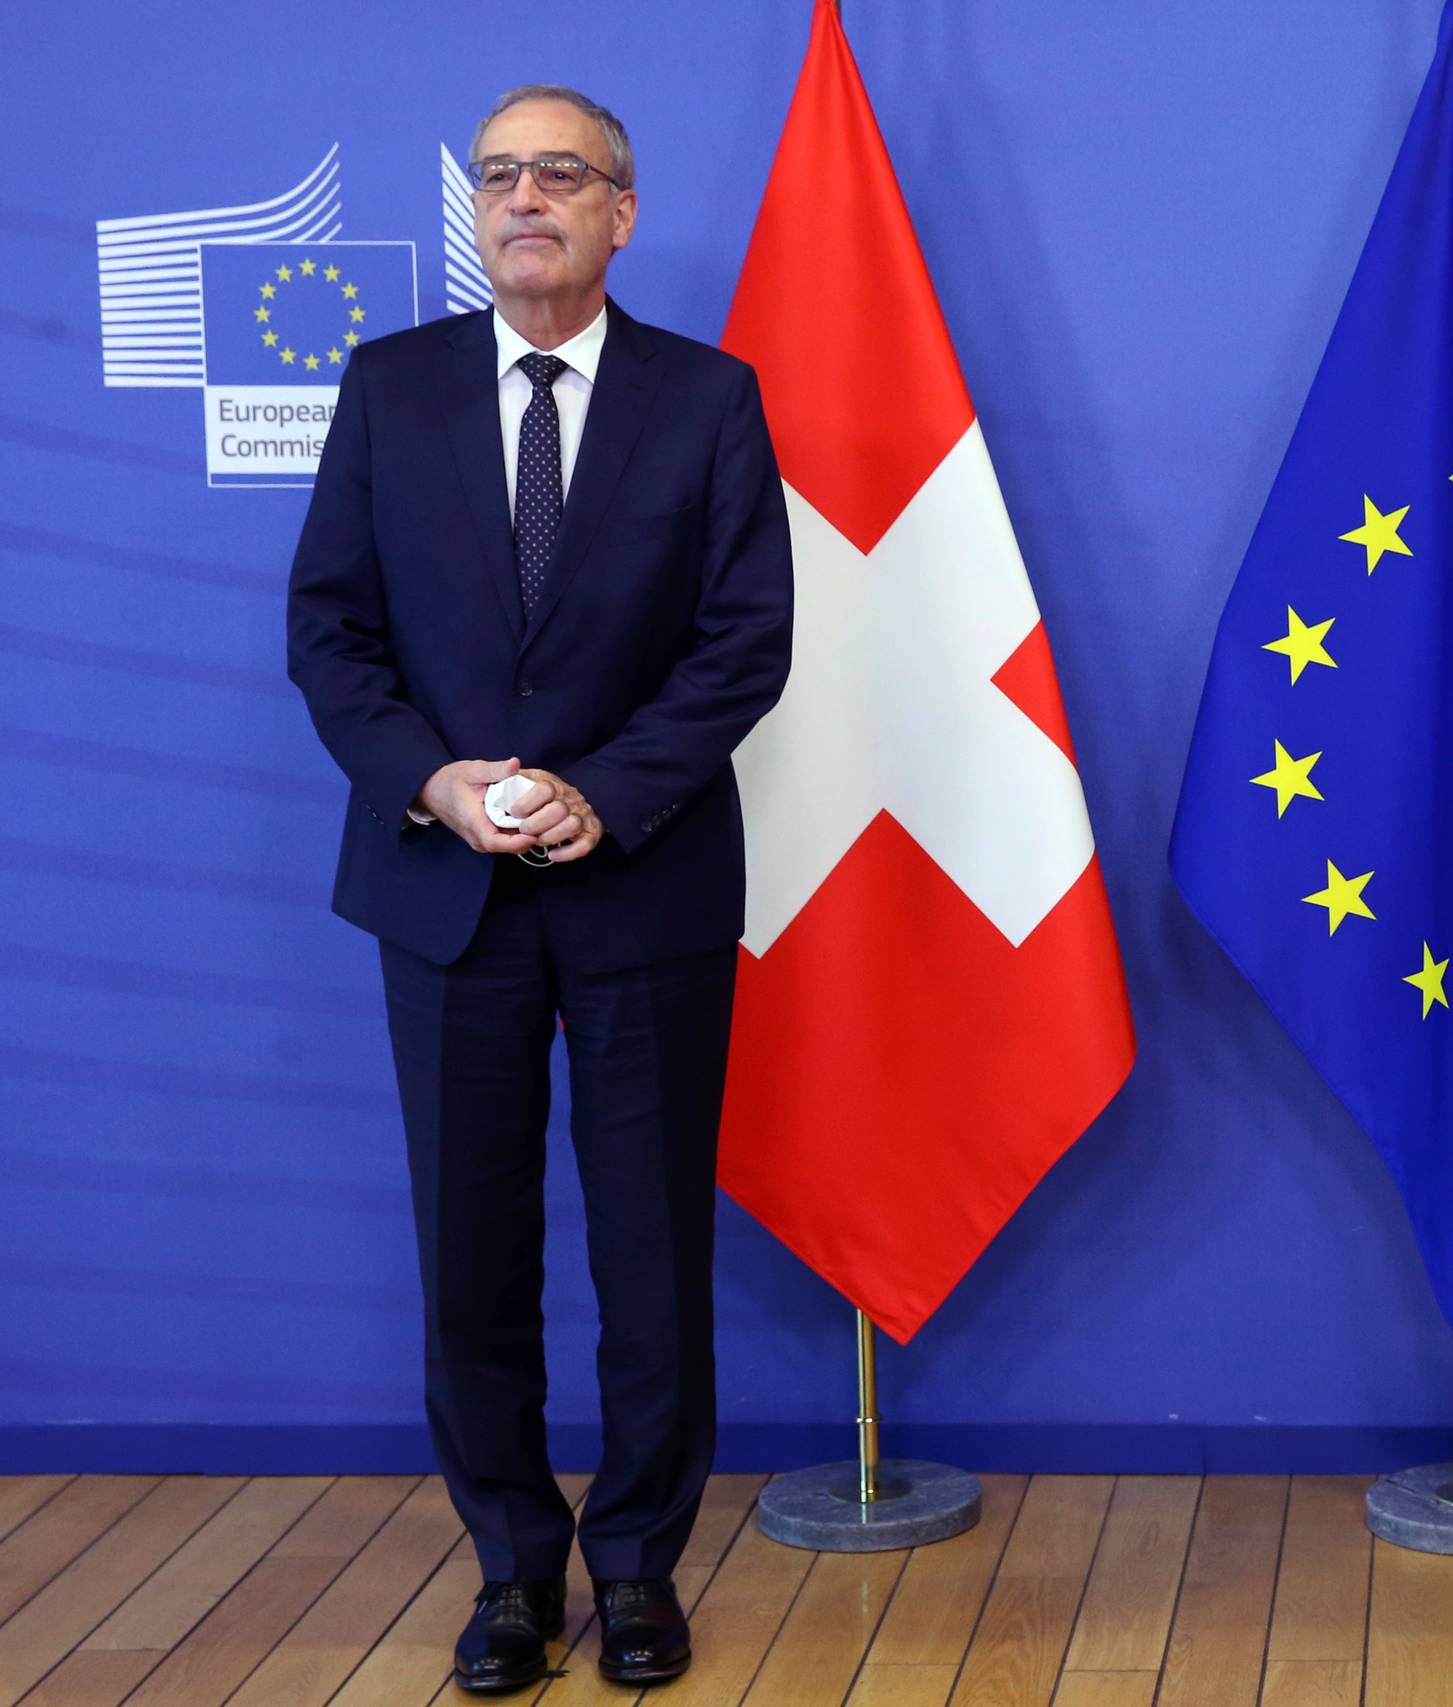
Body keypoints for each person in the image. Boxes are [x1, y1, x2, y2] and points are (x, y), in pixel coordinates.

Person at [285, 85, 792, 1694]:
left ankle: (639, 1565)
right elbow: (331, 635)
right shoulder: (390, 388)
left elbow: (744, 643)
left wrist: (611, 792)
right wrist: (435, 783)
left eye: (558, 175)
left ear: (620, 212)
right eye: (498, 176)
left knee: (650, 1253)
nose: (524, 200)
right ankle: (516, 1569)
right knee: (472, 1253)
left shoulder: (707, 399)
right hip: (445, 896)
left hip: (640, 889)